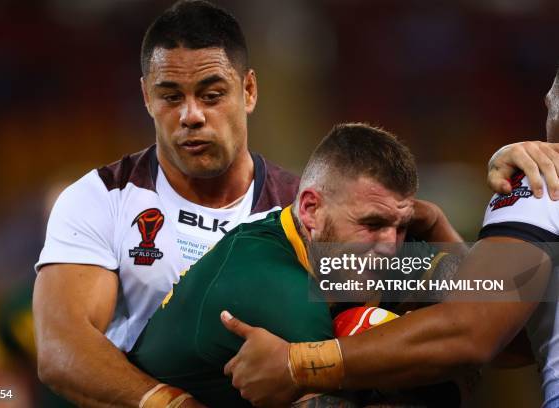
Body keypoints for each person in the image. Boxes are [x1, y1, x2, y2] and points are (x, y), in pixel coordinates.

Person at [221, 68, 559, 408]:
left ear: (549, 102)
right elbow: (512, 342)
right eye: (373, 225)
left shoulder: (542, 186)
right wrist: (440, 227)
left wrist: (298, 365)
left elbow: (473, 332)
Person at [32, 1, 299, 407]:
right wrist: (170, 404)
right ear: (145, 96)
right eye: (171, 97)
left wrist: (309, 363)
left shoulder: (303, 208)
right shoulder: (100, 199)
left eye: (211, 95)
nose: (191, 115)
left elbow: (408, 313)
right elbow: (58, 348)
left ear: (248, 90)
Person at [127, 123, 468, 407]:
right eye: (373, 225)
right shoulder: (277, 293)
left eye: (403, 226)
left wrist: (437, 223)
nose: (391, 248)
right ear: (310, 210)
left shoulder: (350, 250)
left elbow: (496, 317)